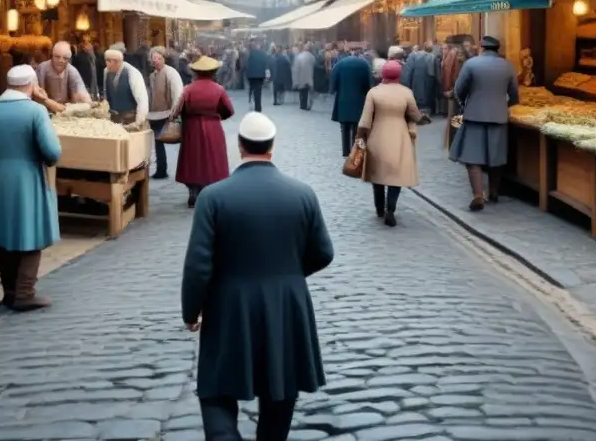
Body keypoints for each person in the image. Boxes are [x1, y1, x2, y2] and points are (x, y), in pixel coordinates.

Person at [182, 112, 334, 441]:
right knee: (280, 387)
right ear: (272, 147)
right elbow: (324, 252)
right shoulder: (303, 193)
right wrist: (290, 273)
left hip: (228, 304)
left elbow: (198, 265)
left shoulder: (213, 196)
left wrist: (191, 312)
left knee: (217, 388)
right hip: (286, 304)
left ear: (239, 146)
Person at [0, 65, 61, 310]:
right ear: (31, 85)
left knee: (4, 234)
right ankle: (24, 293)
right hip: (27, 176)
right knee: (31, 233)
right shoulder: (36, 111)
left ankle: (9, 292)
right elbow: (52, 151)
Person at [449, 35, 520, 211]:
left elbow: (458, 90)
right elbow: (515, 95)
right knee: (496, 156)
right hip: (498, 117)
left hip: (474, 116)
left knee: (473, 158)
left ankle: (478, 195)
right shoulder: (508, 66)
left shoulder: (471, 64)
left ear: (481, 48)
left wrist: (465, 104)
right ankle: (494, 192)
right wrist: (503, 106)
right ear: (498, 49)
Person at [357, 60, 422, 227]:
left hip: (377, 135)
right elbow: (415, 115)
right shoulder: (406, 92)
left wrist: (359, 138)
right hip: (399, 136)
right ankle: (391, 210)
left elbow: (365, 121)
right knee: (395, 177)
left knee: (377, 175)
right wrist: (423, 119)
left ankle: (379, 208)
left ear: (383, 74)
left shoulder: (374, 93)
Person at [176, 55, 235, 207]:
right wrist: (216, 117)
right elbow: (229, 110)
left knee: (193, 160)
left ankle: (193, 193)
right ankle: (211, 192)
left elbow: (178, 110)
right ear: (213, 72)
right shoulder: (219, 89)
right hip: (213, 127)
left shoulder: (188, 89)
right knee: (212, 160)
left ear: (195, 72)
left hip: (191, 128)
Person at [147, 46, 183, 179]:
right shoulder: (152, 75)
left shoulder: (170, 73)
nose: (156, 61)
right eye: (153, 58)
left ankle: (183, 169)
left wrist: (175, 111)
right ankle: (161, 169)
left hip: (168, 112)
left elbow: (177, 93)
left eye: (158, 58)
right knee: (158, 142)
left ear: (164, 59)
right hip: (155, 114)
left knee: (177, 139)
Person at [330, 46, 373, 158]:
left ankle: (345, 151)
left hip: (343, 99)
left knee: (344, 127)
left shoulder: (340, 64)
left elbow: (333, 80)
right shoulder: (364, 65)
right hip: (359, 99)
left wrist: (333, 89)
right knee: (357, 127)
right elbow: (369, 83)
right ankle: (355, 150)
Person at [34, 41, 91, 113]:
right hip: (45, 109)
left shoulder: (72, 70)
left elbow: (81, 90)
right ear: (52, 55)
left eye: (65, 58)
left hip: (65, 109)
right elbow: (36, 93)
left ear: (69, 58)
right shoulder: (42, 68)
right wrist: (49, 103)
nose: (61, 60)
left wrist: (85, 100)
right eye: (57, 57)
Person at [104, 46, 149, 126]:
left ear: (115, 61)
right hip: (114, 119)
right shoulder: (106, 72)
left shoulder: (132, 73)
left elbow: (142, 100)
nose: (106, 63)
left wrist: (139, 122)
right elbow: (107, 93)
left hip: (130, 119)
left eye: (108, 61)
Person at [244, 41, 268, 112]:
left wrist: (247, 74)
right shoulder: (263, 54)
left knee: (253, 89)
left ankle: (253, 101)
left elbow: (247, 64)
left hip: (252, 76)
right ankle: (258, 106)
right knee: (258, 91)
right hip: (260, 75)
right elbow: (265, 64)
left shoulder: (250, 53)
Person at [292, 45, 316, 111]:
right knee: (310, 92)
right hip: (309, 77)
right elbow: (314, 65)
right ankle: (309, 105)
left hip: (301, 77)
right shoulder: (312, 57)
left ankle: (302, 105)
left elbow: (295, 68)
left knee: (302, 92)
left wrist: (295, 80)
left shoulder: (299, 56)